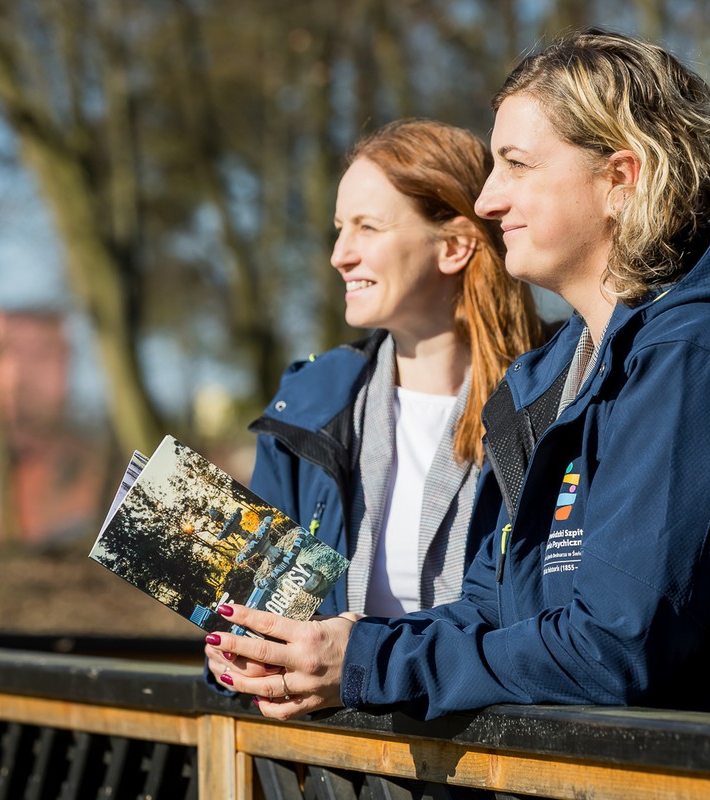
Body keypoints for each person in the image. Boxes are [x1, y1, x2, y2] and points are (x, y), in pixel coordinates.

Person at [203, 29, 710, 730]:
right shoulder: (554, 377)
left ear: (620, 179)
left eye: (516, 165)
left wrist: (366, 661)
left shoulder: (702, 354)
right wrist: (328, 648)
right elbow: (496, 605)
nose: (489, 199)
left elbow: (613, 646)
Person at [204, 119, 546, 694]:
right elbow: (246, 613)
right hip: (337, 770)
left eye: (368, 227)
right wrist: (238, 656)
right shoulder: (307, 403)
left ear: (456, 245)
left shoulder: (560, 393)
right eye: (340, 228)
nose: (340, 254)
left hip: (494, 762)